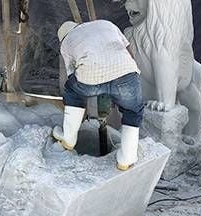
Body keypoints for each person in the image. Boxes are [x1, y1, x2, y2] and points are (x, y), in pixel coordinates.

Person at [53, 19, 144, 171]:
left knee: (72, 91)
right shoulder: (106, 24)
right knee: (133, 111)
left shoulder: (66, 42)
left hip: (91, 79)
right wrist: (131, 76)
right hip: (125, 74)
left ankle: (69, 139)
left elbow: (71, 73)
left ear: (63, 37)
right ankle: (126, 159)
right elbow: (129, 51)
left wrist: (88, 89)